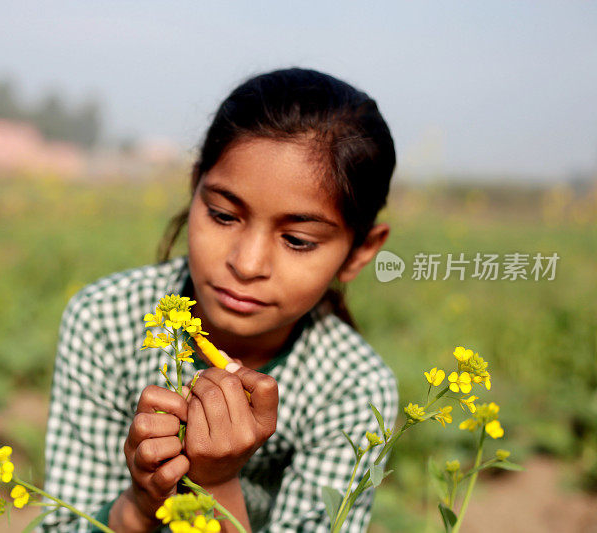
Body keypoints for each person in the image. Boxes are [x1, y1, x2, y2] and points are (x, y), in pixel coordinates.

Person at [43, 68, 398, 533]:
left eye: (297, 240)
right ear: (195, 188)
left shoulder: (354, 387)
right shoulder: (107, 320)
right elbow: (63, 523)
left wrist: (215, 483)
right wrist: (143, 505)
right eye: (223, 214)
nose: (247, 264)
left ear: (360, 252)